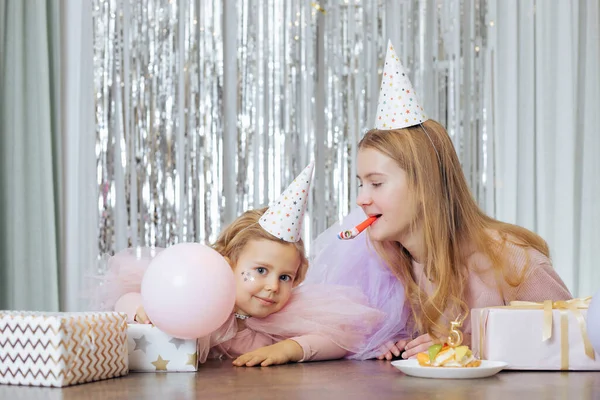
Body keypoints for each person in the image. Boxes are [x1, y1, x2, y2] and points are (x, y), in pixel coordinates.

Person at [308, 41, 572, 362]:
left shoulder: (512, 262)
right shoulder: (387, 268)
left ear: (425, 186)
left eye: (376, 183)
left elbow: (575, 341)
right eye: (361, 184)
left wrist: (474, 347)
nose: (362, 199)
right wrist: (389, 344)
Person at [113, 162, 386, 366]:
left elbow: (342, 339)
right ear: (227, 263)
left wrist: (288, 349)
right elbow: (123, 299)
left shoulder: (289, 313)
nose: (272, 287)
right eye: (261, 271)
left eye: (285, 277)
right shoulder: (197, 292)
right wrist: (143, 309)